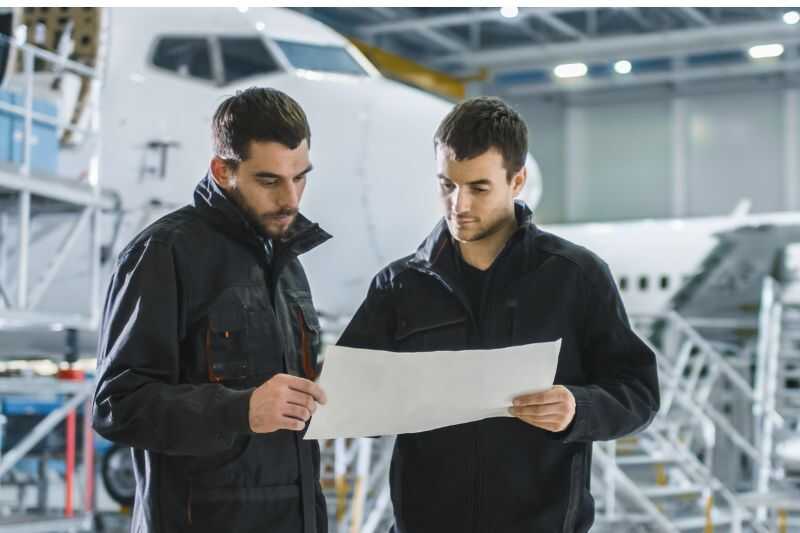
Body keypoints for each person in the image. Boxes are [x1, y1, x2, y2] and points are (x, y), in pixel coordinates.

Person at [337, 96, 660, 533]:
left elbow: (638, 392)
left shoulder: (576, 277)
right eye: (447, 185)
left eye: (478, 188)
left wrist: (578, 408)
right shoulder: (398, 285)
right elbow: (347, 400)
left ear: (518, 180)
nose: (459, 205)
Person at [93, 87, 330, 533]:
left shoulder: (287, 264)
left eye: (300, 177)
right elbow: (117, 405)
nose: (292, 199)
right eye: (269, 180)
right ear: (223, 170)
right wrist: (239, 410)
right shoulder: (164, 253)